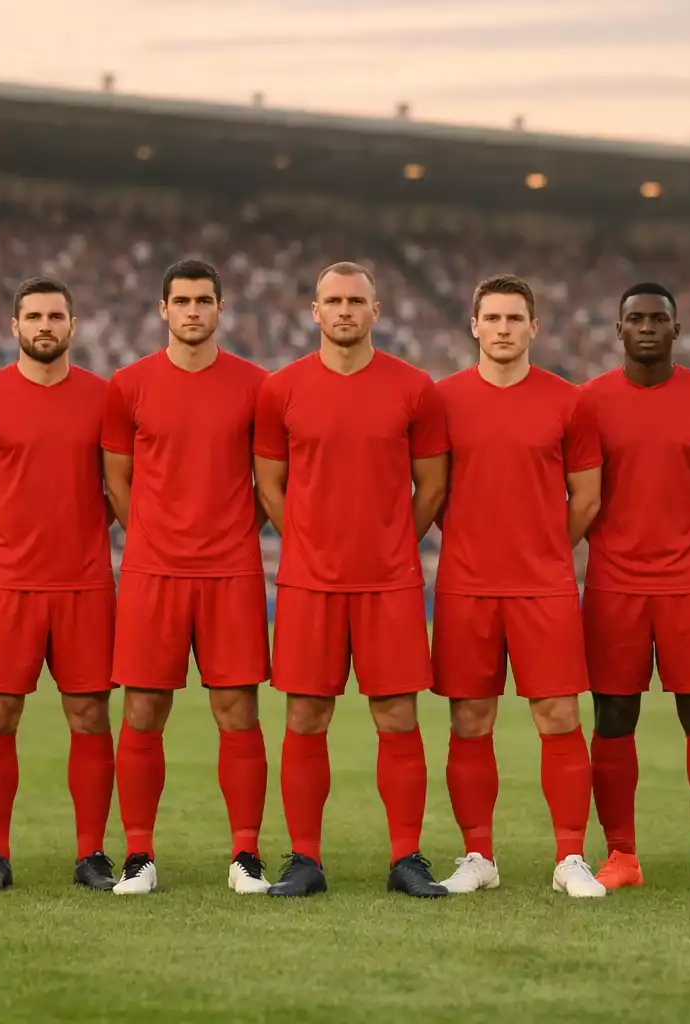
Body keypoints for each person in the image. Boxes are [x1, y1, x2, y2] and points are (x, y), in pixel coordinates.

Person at [253, 261, 450, 899]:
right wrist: (309, 541)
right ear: (315, 311)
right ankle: (305, 860)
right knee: (306, 715)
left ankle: (406, 859)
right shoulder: (280, 390)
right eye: (333, 301)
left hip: (389, 582)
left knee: (397, 715)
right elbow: (270, 485)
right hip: (309, 582)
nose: (344, 311)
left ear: (375, 311)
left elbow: (432, 486)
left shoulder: (415, 388)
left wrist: (390, 542)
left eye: (356, 302)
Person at [432, 274, 605, 898]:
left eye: (514, 318)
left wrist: (543, 547)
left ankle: (570, 859)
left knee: (558, 716)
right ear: (474, 326)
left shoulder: (569, 401)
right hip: (466, 586)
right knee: (469, 718)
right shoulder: (442, 400)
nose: (503, 328)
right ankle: (478, 856)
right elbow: (430, 489)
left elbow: (587, 497)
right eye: (492, 318)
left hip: (543, 586)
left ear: (534, 327)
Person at [101, 260, 272, 895]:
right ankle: (138, 855)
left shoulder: (257, 385)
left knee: (238, 710)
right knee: (143, 709)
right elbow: (117, 479)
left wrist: (232, 531)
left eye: (204, 300)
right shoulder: (128, 386)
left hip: (231, 572)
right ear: (163, 310)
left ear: (220, 309)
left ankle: (246, 855)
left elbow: (269, 483)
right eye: (182, 301)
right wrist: (154, 535)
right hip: (153, 573)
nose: (193, 311)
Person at [0, 276, 117, 893]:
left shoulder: (105, 397)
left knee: (89, 714)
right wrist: (1, 544)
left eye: (56, 316)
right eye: (35, 317)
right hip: (7, 584)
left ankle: (92, 854)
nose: (45, 326)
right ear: (15, 326)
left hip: (84, 584)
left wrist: (82, 532)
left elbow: (120, 484)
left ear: (73, 326)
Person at [582, 282, 690, 895]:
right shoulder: (588, 403)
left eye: (659, 318)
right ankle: (621, 855)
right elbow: (576, 489)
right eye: (636, 319)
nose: (647, 327)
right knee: (613, 715)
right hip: (613, 584)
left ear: (677, 329)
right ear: (619, 329)